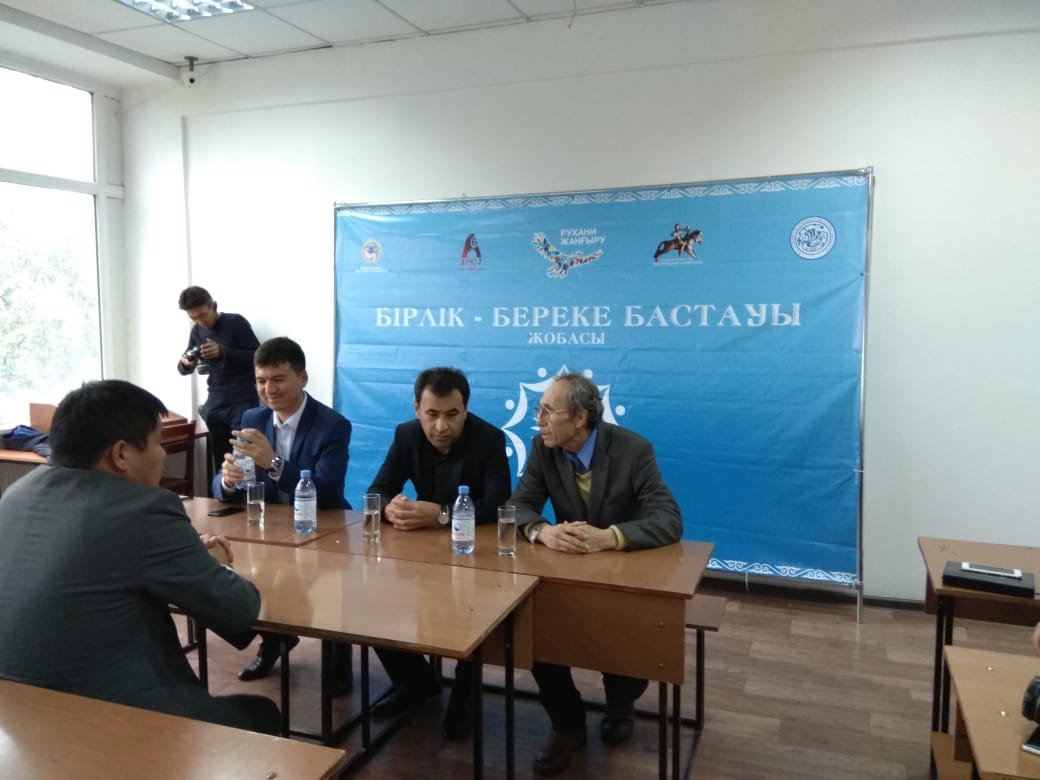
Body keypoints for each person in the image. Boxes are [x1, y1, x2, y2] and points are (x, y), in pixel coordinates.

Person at [0, 380, 280, 734]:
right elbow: (240, 608)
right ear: (121, 454)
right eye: (158, 443)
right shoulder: (142, 510)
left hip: (18, 716)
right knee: (263, 714)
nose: (163, 455)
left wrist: (180, 555)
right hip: (107, 719)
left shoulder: (15, 495)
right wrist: (212, 564)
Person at [509, 371, 683, 777]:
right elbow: (518, 505)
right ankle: (566, 724)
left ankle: (620, 702)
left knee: (622, 648)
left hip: (624, 574)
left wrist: (611, 537)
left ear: (581, 417)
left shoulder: (633, 449)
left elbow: (669, 519)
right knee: (537, 630)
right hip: (568, 571)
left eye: (548, 411)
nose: (539, 421)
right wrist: (543, 531)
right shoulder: (543, 448)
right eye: (538, 411)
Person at [367, 367, 511, 737]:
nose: (441, 426)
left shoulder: (489, 439)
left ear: (465, 410)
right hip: (422, 552)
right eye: (431, 414)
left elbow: (498, 505)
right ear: (417, 408)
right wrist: (389, 508)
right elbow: (377, 491)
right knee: (373, 598)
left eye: (452, 414)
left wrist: (443, 514)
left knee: (474, 614)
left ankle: (466, 687)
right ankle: (416, 680)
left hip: (476, 555)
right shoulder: (406, 435)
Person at [211, 336, 353, 689]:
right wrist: (227, 480)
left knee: (332, 595)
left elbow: (327, 489)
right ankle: (274, 641)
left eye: (278, 379)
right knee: (245, 574)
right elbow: (230, 483)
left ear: (302, 378)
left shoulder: (332, 424)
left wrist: (273, 463)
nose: (269, 389)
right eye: (261, 380)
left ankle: (338, 657)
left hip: (325, 528)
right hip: (272, 527)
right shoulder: (252, 417)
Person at [177, 286, 260, 477]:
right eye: (194, 318)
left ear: (213, 306)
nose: (200, 322)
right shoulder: (197, 331)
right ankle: (223, 491)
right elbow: (182, 368)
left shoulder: (235, 322)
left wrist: (223, 352)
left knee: (244, 457)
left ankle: (246, 493)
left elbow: (258, 358)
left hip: (242, 399)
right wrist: (186, 363)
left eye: (203, 315)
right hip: (215, 401)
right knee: (220, 457)